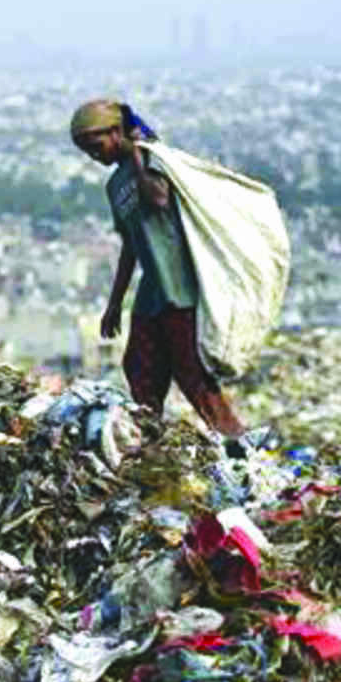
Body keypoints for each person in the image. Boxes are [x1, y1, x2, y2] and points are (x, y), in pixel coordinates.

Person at [71, 99, 243, 438]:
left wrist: (137, 153)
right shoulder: (115, 185)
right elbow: (130, 244)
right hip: (152, 294)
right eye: (87, 152)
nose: (95, 156)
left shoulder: (154, 161)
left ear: (117, 132)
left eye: (97, 146)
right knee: (140, 369)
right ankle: (151, 440)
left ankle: (236, 443)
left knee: (194, 377)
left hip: (181, 290)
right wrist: (114, 303)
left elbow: (158, 198)